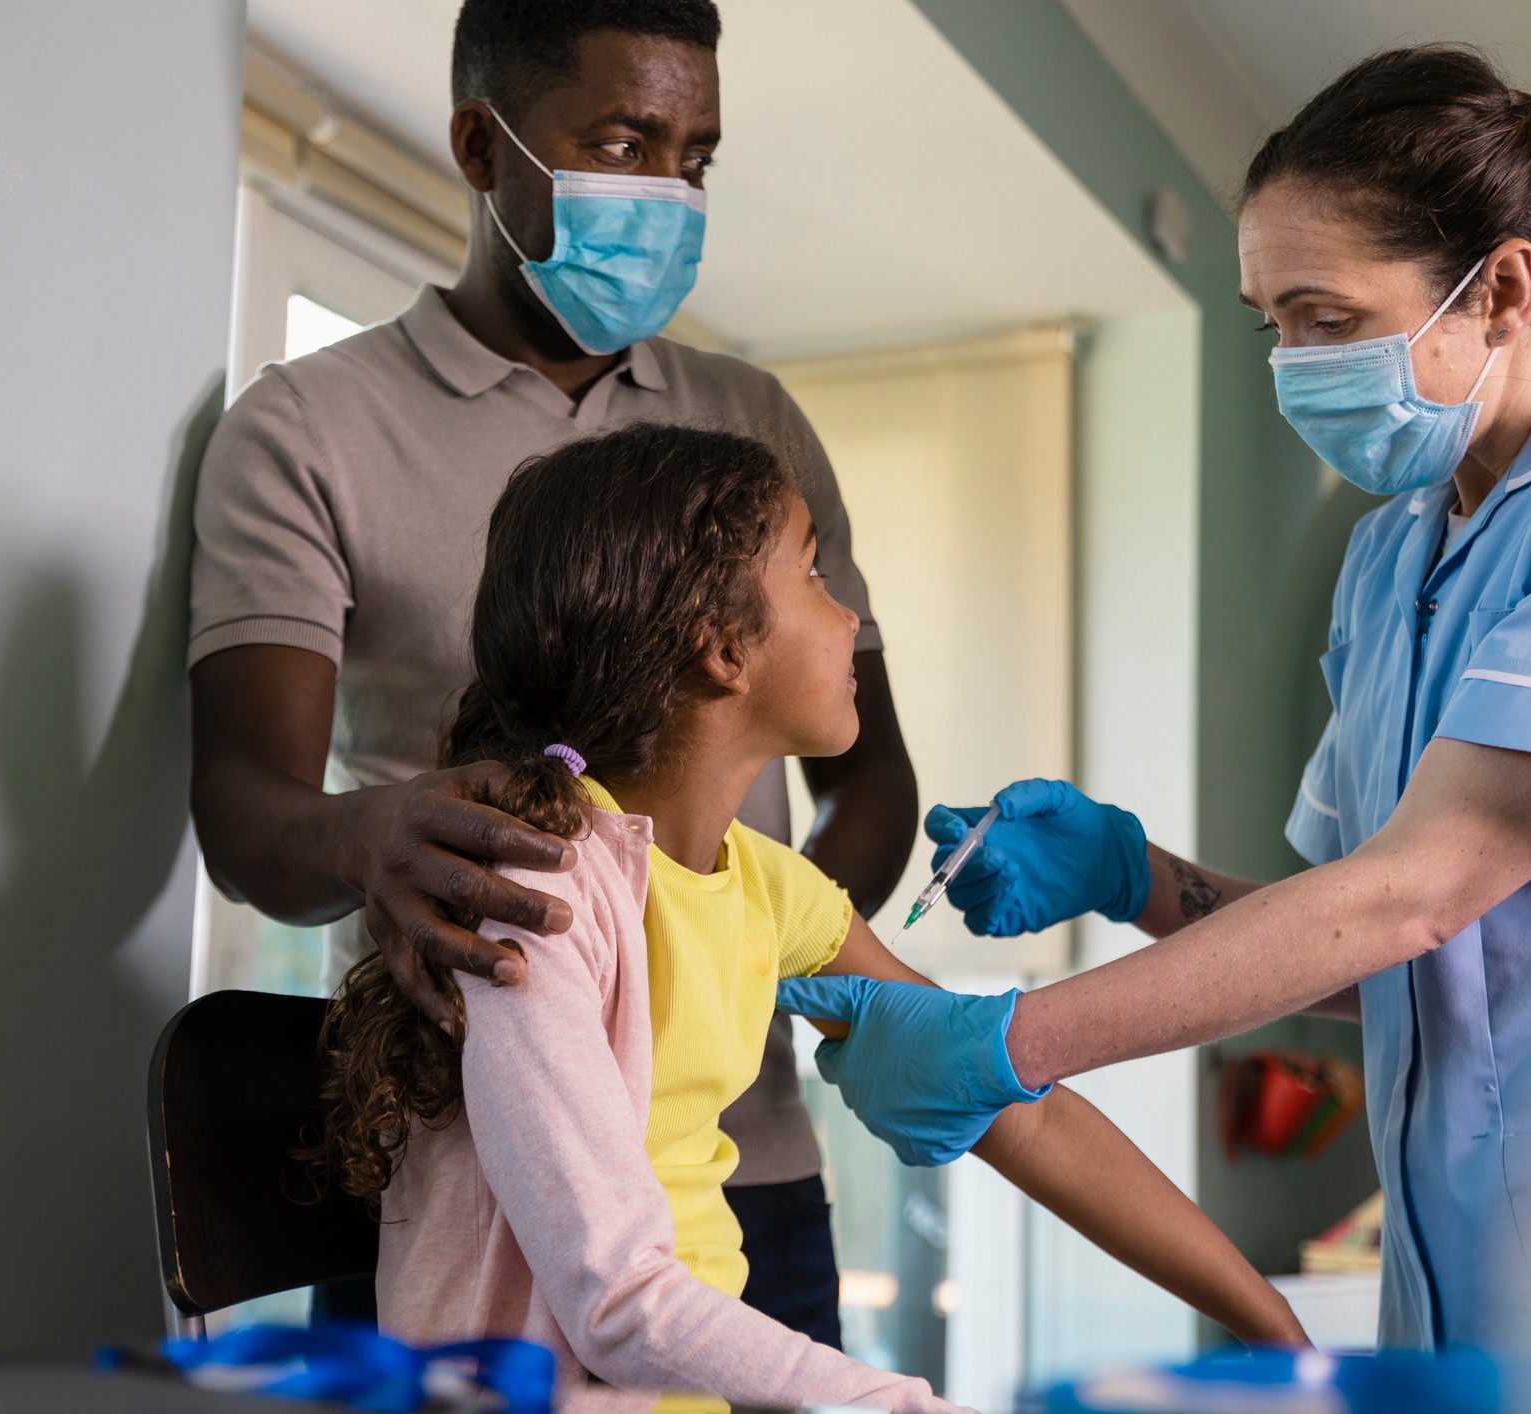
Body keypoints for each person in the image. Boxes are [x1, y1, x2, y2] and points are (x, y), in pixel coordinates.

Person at [774, 45, 1531, 1351]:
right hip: (1463, 1286)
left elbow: (1418, 889)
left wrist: (1011, 1042)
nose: (1289, 361)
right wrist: (1132, 874)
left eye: (1325, 319)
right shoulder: (1397, 552)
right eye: (1268, 320)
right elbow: (1383, 951)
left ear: (1503, 285)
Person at [302, 423, 1305, 1407]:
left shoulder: (764, 887)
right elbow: (617, 1302)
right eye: (816, 576)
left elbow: (1010, 1106)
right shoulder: (542, 898)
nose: (849, 619)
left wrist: (1270, 1327)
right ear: (723, 647)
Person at [188, 0, 910, 1340]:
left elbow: (869, 780)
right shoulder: (307, 428)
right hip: (461, 1172)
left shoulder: (750, 423)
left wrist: (763, 950)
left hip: (746, 1163)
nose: (670, 193)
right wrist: (378, 829)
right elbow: (247, 813)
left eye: (693, 158)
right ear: (480, 144)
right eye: (625, 144)